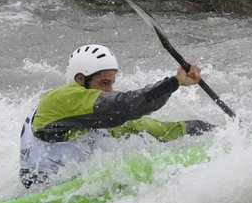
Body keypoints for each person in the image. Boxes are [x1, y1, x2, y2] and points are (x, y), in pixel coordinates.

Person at [18, 43, 215, 188]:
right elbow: (124, 106)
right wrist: (174, 82)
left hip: (63, 184)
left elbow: (141, 122)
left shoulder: (87, 114)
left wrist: (204, 128)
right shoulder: (60, 100)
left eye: (112, 83)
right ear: (80, 79)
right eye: (105, 83)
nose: (110, 90)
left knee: (147, 128)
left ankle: (207, 128)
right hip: (40, 187)